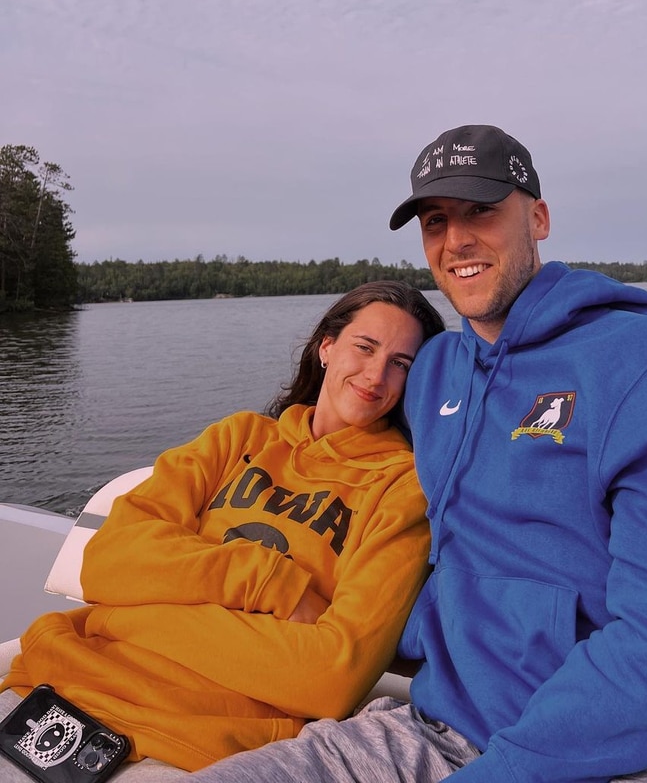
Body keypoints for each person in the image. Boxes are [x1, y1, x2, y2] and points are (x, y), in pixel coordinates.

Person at [189, 125, 647, 783]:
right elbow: (358, 461)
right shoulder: (437, 370)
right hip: (445, 725)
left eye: (481, 211)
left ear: (538, 217)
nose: (456, 241)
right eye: (435, 221)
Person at [0, 281, 445, 775]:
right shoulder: (239, 437)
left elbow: (330, 678)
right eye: (365, 347)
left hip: (195, 743)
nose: (377, 374)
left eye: (401, 363)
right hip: (56, 681)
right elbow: (106, 558)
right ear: (326, 347)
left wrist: (128, 611)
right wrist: (273, 583)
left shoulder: (401, 488)